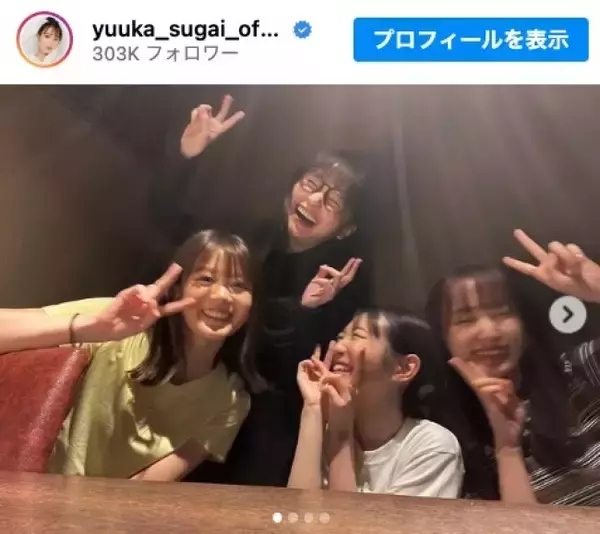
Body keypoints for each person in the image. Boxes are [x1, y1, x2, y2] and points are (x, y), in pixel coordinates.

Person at [175, 95, 373, 486]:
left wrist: (307, 309)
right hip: (204, 392)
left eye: (333, 200)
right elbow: (177, 232)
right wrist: (189, 156)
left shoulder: (343, 283)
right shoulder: (251, 240)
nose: (313, 199)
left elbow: (290, 367)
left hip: (265, 425)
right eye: (311, 183)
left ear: (346, 228)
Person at [0, 230, 264, 481]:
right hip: (32, 494)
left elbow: (145, 487)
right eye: (205, 279)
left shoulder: (230, 401)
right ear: (177, 289)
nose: (221, 296)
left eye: (238, 285)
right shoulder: (118, 324)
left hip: (104, 510)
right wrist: (94, 327)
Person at [426, 232, 600, 505]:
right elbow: (520, 524)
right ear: (444, 339)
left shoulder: (581, 370)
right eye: (465, 319)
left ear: (526, 327)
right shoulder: (445, 437)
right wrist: (507, 449)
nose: (489, 331)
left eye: (502, 313)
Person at [288, 310, 464, 497]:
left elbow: (345, 517)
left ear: (404, 368)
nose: (338, 347)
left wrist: (341, 436)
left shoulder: (433, 447)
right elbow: (297, 511)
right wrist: (313, 407)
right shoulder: (324, 433)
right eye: (340, 337)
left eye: (357, 336)